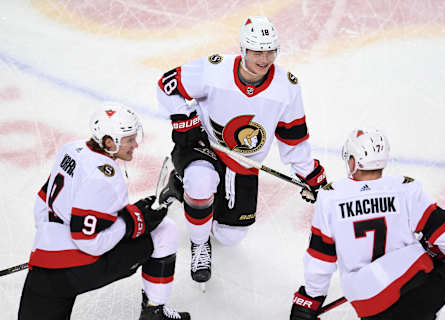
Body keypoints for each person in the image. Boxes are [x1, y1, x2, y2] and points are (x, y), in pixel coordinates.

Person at [156, 16, 327, 284]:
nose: (264, 58)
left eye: (270, 51)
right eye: (257, 51)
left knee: (229, 236)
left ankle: (181, 189)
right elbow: (167, 85)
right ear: (243, 49)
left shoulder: (287, 87)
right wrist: (184, 118)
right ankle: (199, 242)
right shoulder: (215, 70)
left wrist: (310, 174)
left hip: (244, 163)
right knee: (201, 183)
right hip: (204, 147)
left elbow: (292, 136)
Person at [18, 104, 190, 320]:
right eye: (129, 140)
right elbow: (89, 241)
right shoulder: (106, 177)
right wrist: (132, 222)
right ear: (109, 142)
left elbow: (42, 204)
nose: (135, 144)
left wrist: (51, 245)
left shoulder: (71, 149)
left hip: (43, 265)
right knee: (165, 230)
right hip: (76, 269)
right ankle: (154, 312)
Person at [290, 128, 445, 320]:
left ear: (354, 161)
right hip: (420, 289)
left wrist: (309, 300)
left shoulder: (330, 198)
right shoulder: (405, 188)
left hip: (370, 302)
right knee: (440, 260)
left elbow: (320, 260)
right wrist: (431, 249)